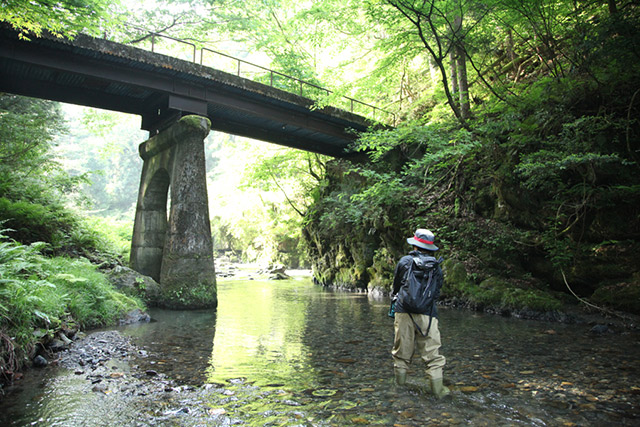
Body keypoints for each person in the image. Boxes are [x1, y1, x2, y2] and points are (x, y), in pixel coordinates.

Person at [391, 228, 450, 398]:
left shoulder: (405, 261)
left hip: (404, 312)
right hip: (428, 315)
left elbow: (396, 287)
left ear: (415, 246)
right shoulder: (436, 267)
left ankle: (399, 388)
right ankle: (438, 392)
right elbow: (437, 292)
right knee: (433, 357)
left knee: (401, 354)